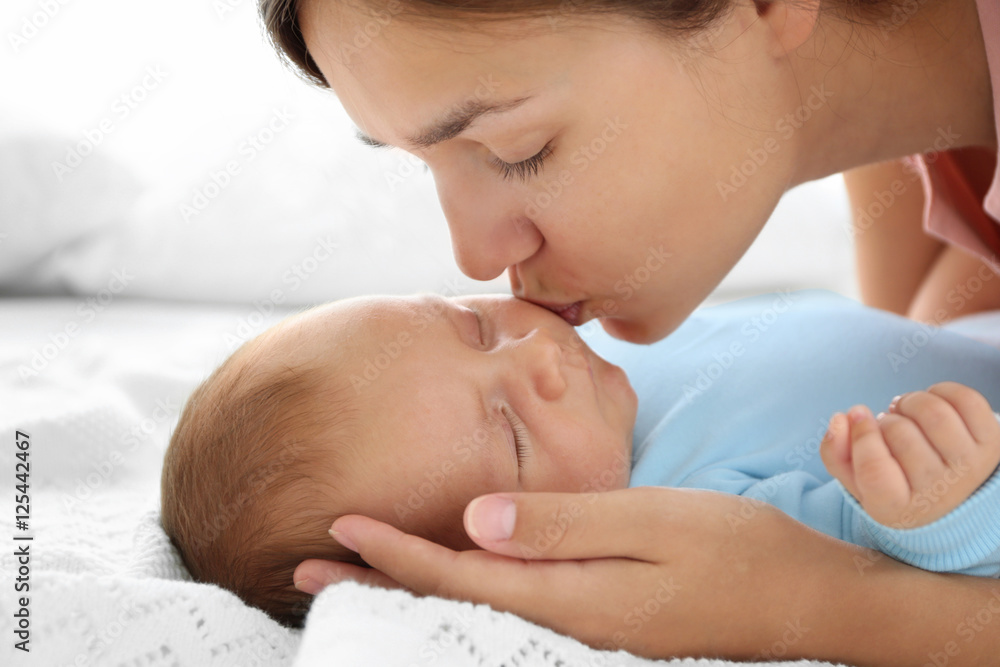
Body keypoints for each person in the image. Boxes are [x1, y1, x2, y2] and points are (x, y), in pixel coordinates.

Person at [257, 0, 1000, 662]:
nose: (475, 259)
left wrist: (818, 603)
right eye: (426, 164)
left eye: (521, 151)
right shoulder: (910, 125)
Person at [160, 289, 1000, 634]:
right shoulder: (684, 520)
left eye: (472, 325)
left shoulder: (609, 363)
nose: (538, 356)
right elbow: (880, 559)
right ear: (510, 560)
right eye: (512, 433)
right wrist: (940, 513)